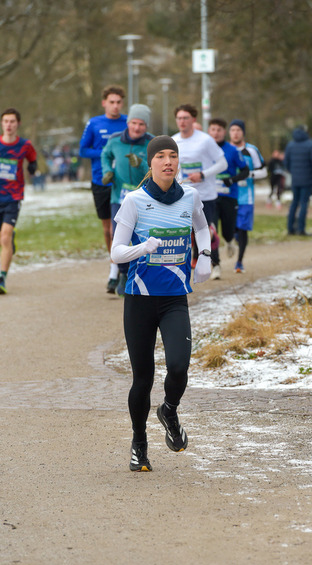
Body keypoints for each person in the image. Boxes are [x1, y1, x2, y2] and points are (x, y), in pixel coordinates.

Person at [110, 136, 212, 471]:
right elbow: (116, 252)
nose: (168, 162)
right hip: (139, 300)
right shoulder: (135, 201)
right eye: (161, 156)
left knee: (179, 365)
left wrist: (205, 255)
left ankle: (169, 410)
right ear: (150, 162)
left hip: (174, 299)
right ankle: (139, 443)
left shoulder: (190, 196)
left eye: (173, 156)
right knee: (143, 378)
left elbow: (202, 227)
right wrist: (143, 248)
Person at [101, 104, 154, 295]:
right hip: (120, 197)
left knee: (141, 236)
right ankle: (123, 273)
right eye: (134, 123)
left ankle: (142, 274)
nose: (137, 128)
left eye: (141, 124)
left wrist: (141, 164)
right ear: (128, 122)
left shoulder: (152, 143)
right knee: (118, 235)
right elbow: (105, 155)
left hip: (144, 198)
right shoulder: (115, 140)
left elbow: (155, 170)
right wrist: (108, 171)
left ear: (146, 126)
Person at [79, 85, 127, 290]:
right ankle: (114, 265)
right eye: (111, 102)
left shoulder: (128, 123)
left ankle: (120, 270)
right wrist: (105, 153)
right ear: (104, 103)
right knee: (108, 229)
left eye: (118, 102)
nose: (115, 106)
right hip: (101, 181)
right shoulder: (94, 123)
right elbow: (83, 150)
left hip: (124, 183)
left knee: (122, 228)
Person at [172, 104, 227, 279]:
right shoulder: (173, 141)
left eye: (185, 118)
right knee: (184, 232)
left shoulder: (205, 140)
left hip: (206, 196)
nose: (182, 121)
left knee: (206, 232)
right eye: (179, 118)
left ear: (193, 119)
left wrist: (203, 174)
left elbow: (223, 164)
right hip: (184, 195)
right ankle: (185, 265)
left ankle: (215, 264)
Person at [0, 108, 37, 294]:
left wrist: (32, 167)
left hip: (13, 197)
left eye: (12, 121)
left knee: (5, 237)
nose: (9, 125)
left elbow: (33, 158)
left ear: (18, 124)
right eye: (6, 121)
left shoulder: (25, 145)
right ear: (2, 123)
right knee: (3, 238)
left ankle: (2, 278)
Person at [207, 118, 249, 270]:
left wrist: (232, 180)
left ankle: (230, 240)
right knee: (212, 230)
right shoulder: (204, 150)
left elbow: (245, 171)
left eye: (219, 130)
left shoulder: (232, 151)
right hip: (210, 197)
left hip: (229, 196)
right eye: (213, 129)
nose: (216, 133)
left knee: (228, 231)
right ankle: (215, 265)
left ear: (224, 132)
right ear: (209, 131)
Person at [228, 119, 267, 273]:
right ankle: (235, 236)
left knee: (242, 229)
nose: (235, 133)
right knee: (231, 229)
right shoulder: (225, 149)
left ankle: (239, 262)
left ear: (243, 132)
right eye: (233, 130)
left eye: (238, 130)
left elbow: (263, 171)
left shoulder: (251, 150)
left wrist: (247, 174)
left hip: (246, 197)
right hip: (229, 195)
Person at [284, 126, 312, 236]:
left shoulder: (290, 145)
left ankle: (290, 228)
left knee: (294, 202)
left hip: (295, 179)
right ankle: (301, 229)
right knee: (304, 203)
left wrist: (293, 172)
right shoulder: (311, 144)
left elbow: (286, 162)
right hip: (307, 178)